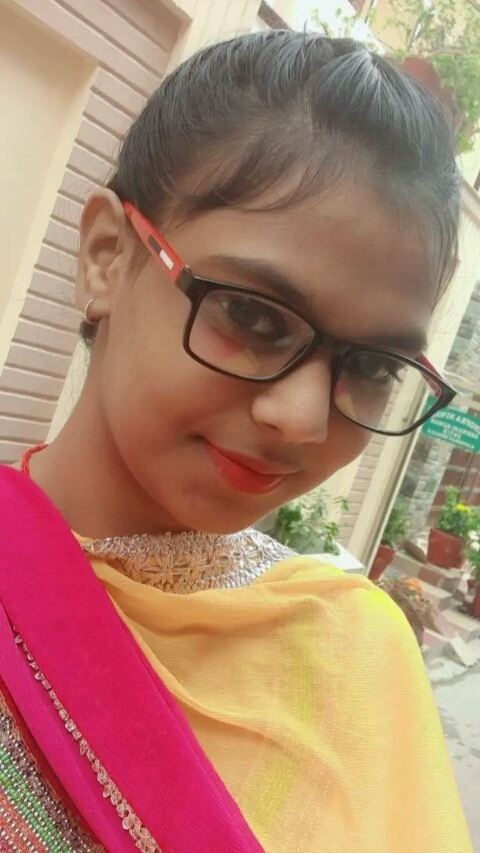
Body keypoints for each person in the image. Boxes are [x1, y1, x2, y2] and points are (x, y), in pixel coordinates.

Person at [0, 29, 472, 853]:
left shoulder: (352, 661)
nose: (303, 418)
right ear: (107, 256)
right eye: (252, 316)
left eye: (370, 366)